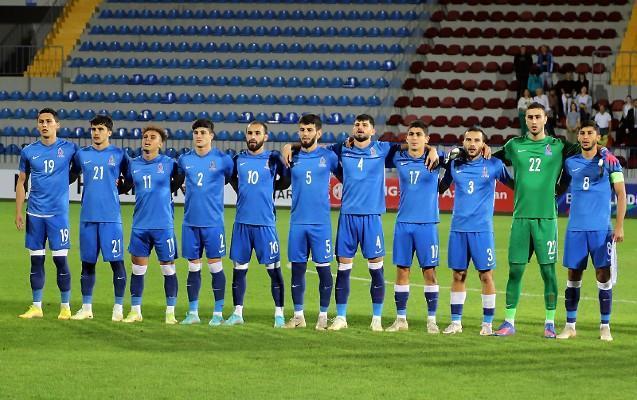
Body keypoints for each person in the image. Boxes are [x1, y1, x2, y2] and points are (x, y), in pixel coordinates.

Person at [282, 114, 439, 331]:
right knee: (344, 270)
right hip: (347, 217)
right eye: (357, 125)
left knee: (376, 270)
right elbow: (313, 146)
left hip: (372, 218)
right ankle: (341, 317)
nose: (360, 128)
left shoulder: (383, 149)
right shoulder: (341, 149)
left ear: (372, 131)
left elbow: (413, 145)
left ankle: (376, 319)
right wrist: (290, 145)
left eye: (365, 125)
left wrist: (432, 149)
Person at [491, 103, 618, 338]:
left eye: (537, 117)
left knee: (548, 272)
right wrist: (511, 182)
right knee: (515, 271)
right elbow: (491, 161)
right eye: (530, 117)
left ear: (545, 119)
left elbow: (588, 146)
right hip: (520, 218)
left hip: (547, 219)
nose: (533, 121)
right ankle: (509, 321)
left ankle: (549, 323)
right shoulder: (514, 145)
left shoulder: (559, 146)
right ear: (525, 119)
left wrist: (605, 150)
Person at [438, 128, 512, 336]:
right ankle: (456, 323)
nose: (472, 144)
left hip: (482, 230)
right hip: (458, 229)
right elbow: (440, 188)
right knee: (458, 275)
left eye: (477, 140)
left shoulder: (494, 165)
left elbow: (515, 185)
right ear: (463, 142)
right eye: (468, 140)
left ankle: (487, 324)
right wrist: (440, 162)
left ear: (483, 144)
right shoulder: (455, 164)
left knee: (486, 276)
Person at [556, 122, 626, 341]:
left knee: (603, 275)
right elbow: (559, 189)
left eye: (590, 133)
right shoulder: (570, 163)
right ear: (578, 137)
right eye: (582, 133)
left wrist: (619, 226)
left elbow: (621, 194)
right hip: (576, 229)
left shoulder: (611, 162)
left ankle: (605, 326)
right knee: (573, 275)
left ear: (598, 137)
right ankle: (570, 326)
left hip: (601, 230)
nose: (585, 137)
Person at [225, 121, 291, 328]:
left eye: (257, 133)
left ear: (265, 137)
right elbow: (231, 179)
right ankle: (237, 313)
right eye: (250, 133)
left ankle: (279, 315)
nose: (253, 137)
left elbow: (286, 181)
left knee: (274, 270)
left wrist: (270, 187)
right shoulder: (238, 159)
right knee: (239, 270)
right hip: (242, 224)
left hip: (265, 224)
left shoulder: (273, 158)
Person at [16, 108, 78, 320]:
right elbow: (22, 182)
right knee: (36, 261)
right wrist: (18, 211)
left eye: (48, 121)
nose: (44, 125)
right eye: (41, 121)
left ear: (57, 125)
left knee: (60, 261)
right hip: (34, 214)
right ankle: (36, 306)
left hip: (58, 215)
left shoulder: (69, 148)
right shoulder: (28, 151)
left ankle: (65, 306)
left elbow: (79, 169)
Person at [384, 120, 446, 333]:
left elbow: (462, 156)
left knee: (429, 272)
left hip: (427, 224)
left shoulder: (437, 159)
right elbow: (375, 150)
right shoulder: (397, 157)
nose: (414, 137)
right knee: (402, 271)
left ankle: (432, 320)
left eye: (419, 134)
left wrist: (433, 150)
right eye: (411, 134)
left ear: (426, 138)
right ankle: (401, 319)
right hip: (403, 223)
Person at [122, 125, 184, 324]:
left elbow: (179, 181)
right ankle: (135, 311)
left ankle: (170, 313)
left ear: (161, 143)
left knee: (168, 270)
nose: (147, 140)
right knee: (137, 270)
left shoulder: (169, 164)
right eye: (145, 136)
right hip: (140, 226)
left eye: (153, 137)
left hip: (163, 225)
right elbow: (126, 185)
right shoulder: (133, 164)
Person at [70, 115, 129, 321]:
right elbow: (71, 176)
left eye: (101, 129)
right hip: (88, 217)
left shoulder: (119, 154)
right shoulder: (81, 154)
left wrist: (117, 189)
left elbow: (130, 179)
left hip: (111, 218)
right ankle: (86, 308)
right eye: (94, 129)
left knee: (117, 263)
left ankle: (118, 308)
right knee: (87, 264)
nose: (96, 133)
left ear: (109, 132)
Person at [283, 114, 339, 330]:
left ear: (319, 133)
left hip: (320, 224)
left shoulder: (329, 156)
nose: (305, 134)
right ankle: (298, 316)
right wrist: (288, 147)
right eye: (302, 130)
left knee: (324, 270)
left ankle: (323, 316)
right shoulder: (293, 156)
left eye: (309, 130)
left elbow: (346, 176)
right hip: (297, 223)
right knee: (297, 270)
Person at [177, 119, 233, 326]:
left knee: (216, 267)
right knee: (193, 268)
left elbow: (229, 178)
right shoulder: (184, 160)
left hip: (213, 223)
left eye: (203, 132)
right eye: (196, 132)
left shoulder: (223, 160)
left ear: (211, 135)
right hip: (190, 223)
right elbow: (179, 181)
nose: (199, 136)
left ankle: (218, 314)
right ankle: (193, 313)